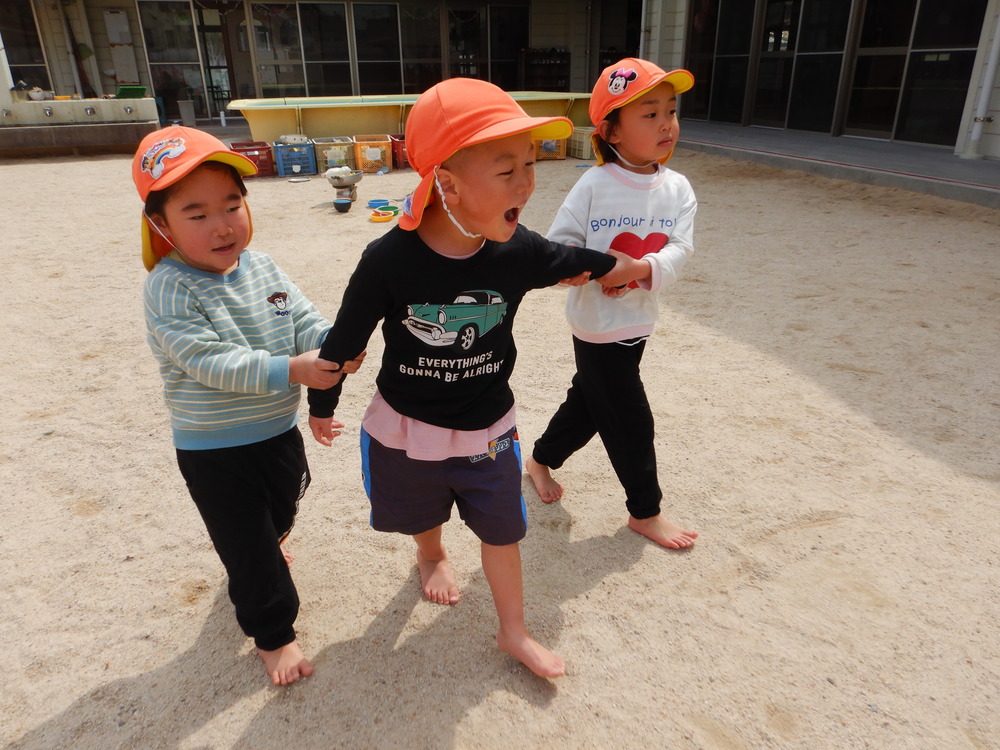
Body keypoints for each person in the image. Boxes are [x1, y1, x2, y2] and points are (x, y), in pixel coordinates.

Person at [306, 78, 649, 678]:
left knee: (503, 528)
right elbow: (345, 340)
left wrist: (615, 267)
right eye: (506, 169)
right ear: (448, 183)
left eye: (529, 163)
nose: (527, 183)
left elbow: (571, 260)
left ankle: (513, 631)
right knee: (421, 513)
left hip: (489, 425)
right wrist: (322, 401)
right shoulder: (388, 260)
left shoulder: (517, 249)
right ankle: (432, 554)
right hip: (407, 428)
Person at [134, 125, 362, 686]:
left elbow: (302, 319)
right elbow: (207, 360)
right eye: (197, 213)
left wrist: (333, 343)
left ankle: (270, 540)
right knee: (247, 546)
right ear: (160, 224)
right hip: (214, 448)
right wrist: (293, 369)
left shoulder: (263, 267)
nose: (222, 224)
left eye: (232, 204)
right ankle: (273, 634)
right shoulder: (170, 286)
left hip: (276, 431)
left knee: (282, 512)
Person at [525, 58, 700, 550]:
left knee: (588, 405)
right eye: (649, 114)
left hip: (638, 322)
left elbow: (679, 250)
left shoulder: (679, 188)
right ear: (611, 132)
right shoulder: (594, 184)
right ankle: (645, 511)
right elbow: (561, 247)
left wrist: (637, 271)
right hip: (596, 327)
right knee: (629, 418)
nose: (667, 123)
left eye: (670, 110)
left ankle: (539, 459)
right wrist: (593, 268)